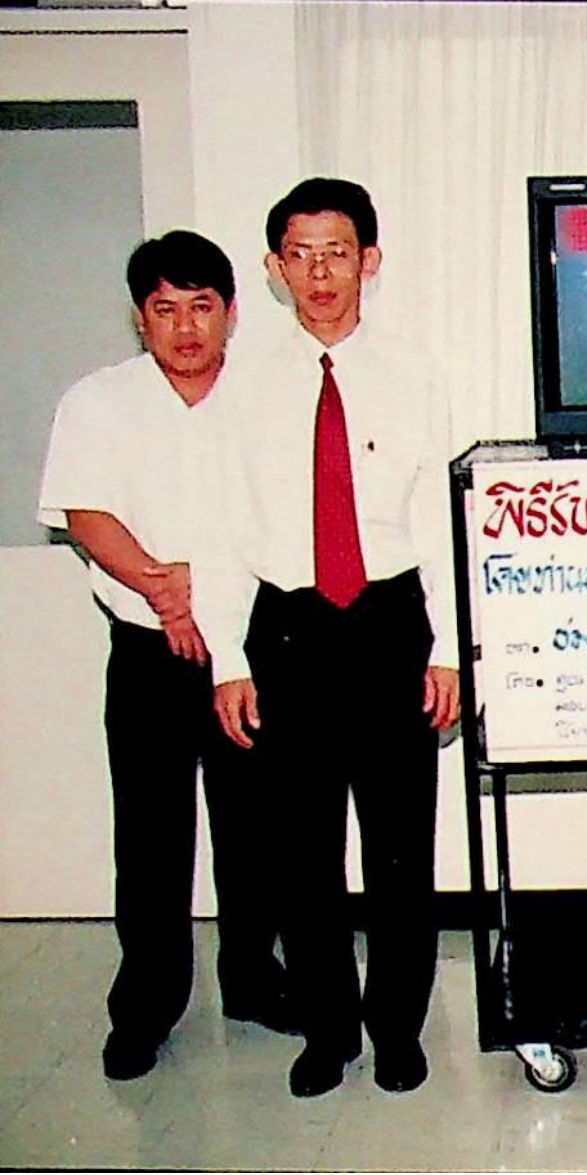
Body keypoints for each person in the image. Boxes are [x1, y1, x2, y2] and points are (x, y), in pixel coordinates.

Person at [193, 177, 460, 1098]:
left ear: (369, 261)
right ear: (274, 268)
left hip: (389, 622)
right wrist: (228, 660)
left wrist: (446, 646)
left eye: (336, 252)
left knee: (399, 849)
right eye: (299, 255)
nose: (318, 273)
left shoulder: (415, 373)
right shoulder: (242, 385)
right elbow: (222, 524)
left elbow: (434, 517)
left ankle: (397, 1030)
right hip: (288, 629)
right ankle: (327, 1031)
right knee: (301, 852)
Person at [37, 230, 295, 1082]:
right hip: (150, 646)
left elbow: (282, 514)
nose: (185, 328)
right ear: (139, 317)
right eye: (164, 309)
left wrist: (207, 600)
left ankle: (253, 979)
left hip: (249, 645)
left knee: (255, 827)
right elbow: (85, 512)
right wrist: (162, 589)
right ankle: (145, 1005)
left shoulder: (266, 396)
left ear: (231, 313)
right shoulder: (98, 401)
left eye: (201, 307)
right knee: (150, 836)